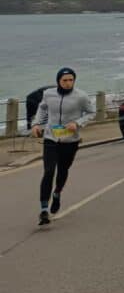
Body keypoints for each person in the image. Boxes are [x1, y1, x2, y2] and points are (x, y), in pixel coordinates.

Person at [31, 68, 95, 225]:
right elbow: (42, 108)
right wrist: (37, 123)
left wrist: (77, 123)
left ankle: (57, 193)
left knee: (63, 170)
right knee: (48, 171)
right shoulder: (48, 94)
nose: (68, 83)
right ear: (58, 81)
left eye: (71, 80)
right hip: (50, 138)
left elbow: (91, 112)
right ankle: (44, 210)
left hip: (70, 140)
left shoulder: (81, 96)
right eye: (64, 80)